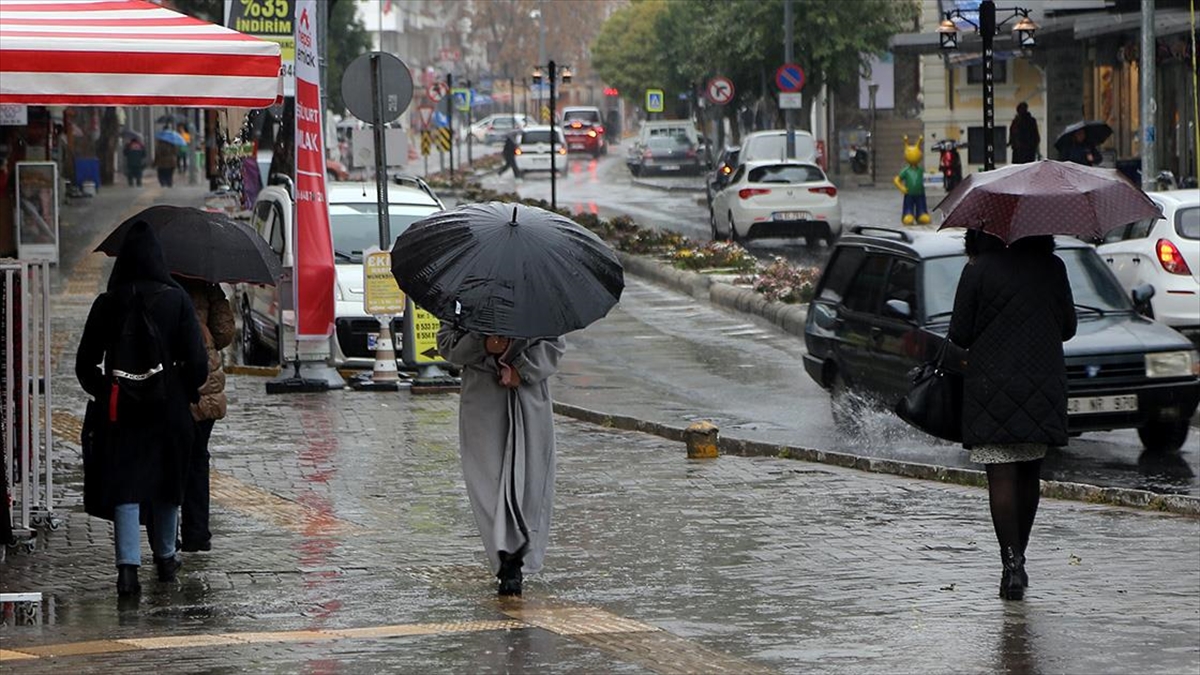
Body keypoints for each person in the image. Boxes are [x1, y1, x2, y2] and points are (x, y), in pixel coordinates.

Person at [75, 222, 208, 596]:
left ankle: (127, 571)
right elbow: (198, 363)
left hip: (120, 412)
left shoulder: (107, 303)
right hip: (169, 410)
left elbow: (85, 365)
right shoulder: (177, 299)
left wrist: (107, 391)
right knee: (168, 483)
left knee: (126, 486)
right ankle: (166, 559)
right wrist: (182, 388)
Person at [947, 229, 1077, 601]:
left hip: (991, 386)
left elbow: (960, 332)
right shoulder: (1053, 267)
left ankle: (1010, 564)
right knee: (1029, 473)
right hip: (1041, 383)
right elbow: (1068, 328)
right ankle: (1020, 557)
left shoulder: (978, 270)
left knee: (1001, 473)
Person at [436, 326, 566, 596]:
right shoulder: (463, 299)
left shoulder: (537, 297)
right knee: (486, 481)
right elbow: (448, 345)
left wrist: (522, 369)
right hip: (482, 398)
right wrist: (484, 345)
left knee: (531, 476)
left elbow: (553, 343)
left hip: (530, 396)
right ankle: (505, 558)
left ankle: (522, 549)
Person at [173, 275, 235, 553]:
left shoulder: (160, 284)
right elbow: (224, 334)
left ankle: (165, 537)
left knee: (169, 460)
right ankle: (197, 534)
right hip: (204, 384)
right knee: (198, 459)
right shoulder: (207, 285)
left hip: (171, 381)